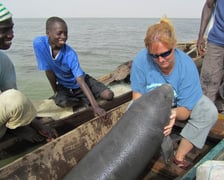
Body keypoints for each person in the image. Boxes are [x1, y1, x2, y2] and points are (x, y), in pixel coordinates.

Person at [130, 17, 218, 170]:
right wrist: (153, 116)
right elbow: (137, 98)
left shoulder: (187, 66)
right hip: (153, 104)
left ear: (174, 46)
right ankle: (144, 152)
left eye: (165, 54)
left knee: (208, 112)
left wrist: (172, 114)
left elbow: (185, 112)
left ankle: (179, 156)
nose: (160, 60)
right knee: (130, 113)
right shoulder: (140, 61)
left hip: (179, 104)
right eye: (154, 56)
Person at [33, 16, 114, 118]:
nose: (63, 37)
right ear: (48, 33)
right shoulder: (38, 43)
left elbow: (80, 80)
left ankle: (88, 98)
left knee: (108, 95)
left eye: (65, 33)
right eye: (59, 33)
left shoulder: (70, 54)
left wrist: (95, 107)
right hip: (64, 85)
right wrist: (55, 92)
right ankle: (82, 100)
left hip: (82, 81)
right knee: (62, 102)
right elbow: (48, 70)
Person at [0, 3, 58, 143]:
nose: (11, 35)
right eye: (4, 30)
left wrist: (39, 126)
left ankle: (15, 128)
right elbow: (12, 100)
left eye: (11, 28)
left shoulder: (3, 61)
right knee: (15, 98)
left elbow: (9, 94)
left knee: (15, 97)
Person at [197, 0, 224, 111]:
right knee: (207, 86)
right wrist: (201, 36)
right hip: (217, 41)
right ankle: (204, 115)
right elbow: (209, 5)